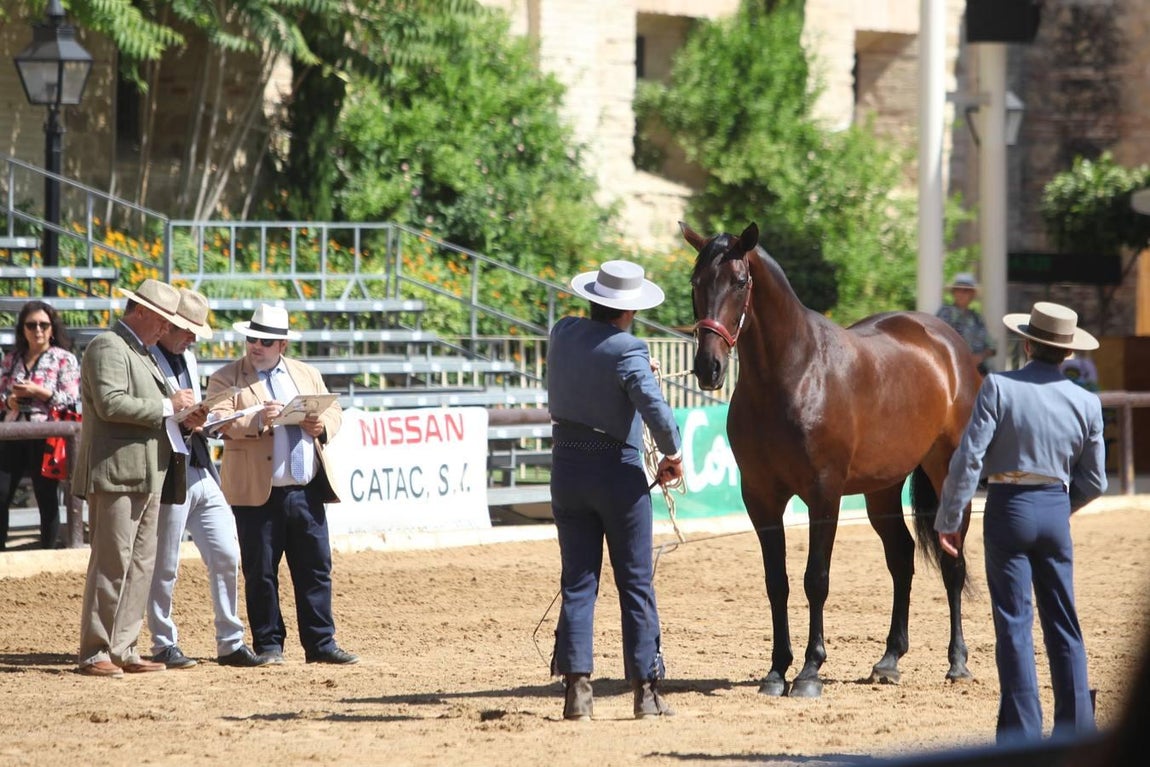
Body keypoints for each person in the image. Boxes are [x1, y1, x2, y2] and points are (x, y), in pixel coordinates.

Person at [935, 301, 1107, 743]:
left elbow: (969, 457)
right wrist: (1058, 507)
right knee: (1063, 623)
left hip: (1008, 506)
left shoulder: (999, 387)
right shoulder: (1086, 401)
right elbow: (1096, 480)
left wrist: (950, 517)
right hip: (1055, 506)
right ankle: (1075, 729)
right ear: (1067, 353)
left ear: (1027, 344)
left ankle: (1023, 735)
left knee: (1014, 622)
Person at [546, 260, 684, 721]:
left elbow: (590, 358)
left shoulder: (562, 332)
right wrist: (673, 454)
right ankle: (645, 691)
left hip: (566, 467)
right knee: (635, 582)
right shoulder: (630, 351)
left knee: (578, 582)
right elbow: (657, 413)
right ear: (629, 310)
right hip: (616, 473)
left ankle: (577, 691)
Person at [205, 304, 357, 665]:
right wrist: (257, 420)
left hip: (306, 487)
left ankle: (321, 643)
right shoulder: (226, 377)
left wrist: (324, 427)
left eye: (266, 341)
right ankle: (269, 644)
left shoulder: (307, 373)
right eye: (252, 338)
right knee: (260, 571)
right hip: (258, 491)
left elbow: (334, 411)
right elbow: (216, 421)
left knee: (316, 569)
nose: (256, 345)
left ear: (282, 345)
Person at [75, 279, 200, 678]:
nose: (167, 329)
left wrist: (185, 415)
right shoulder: (108, 347)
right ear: (140, 312)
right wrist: (169, 405)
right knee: (112, 562)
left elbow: (156, 411)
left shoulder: (141, 352)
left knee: (141, 563)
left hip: (149, 471)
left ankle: (125, 646)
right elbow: (111, 403)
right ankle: (95, 650)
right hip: (115, 470)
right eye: (163, 321)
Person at [146, 288, 268, 669]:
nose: (192, 338)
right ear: (167, 325)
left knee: (226, 553)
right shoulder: (147, 358)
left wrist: (207, 420)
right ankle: (163, 642)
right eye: (186, 330)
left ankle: (230, 641)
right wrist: (179, 415)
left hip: (199, 463)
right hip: (170, 468)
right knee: (165, 563)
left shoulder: (189, 359)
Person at [0, 300, 80, 550]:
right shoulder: (11, 360)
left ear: (52, 328)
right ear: (23, 329)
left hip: (47, 433)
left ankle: (47, 551)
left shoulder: (64, 359)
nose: (38, 330)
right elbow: (1, 394)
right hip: (12, 432)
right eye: (31, 324)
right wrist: (10, 401)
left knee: (46, 496)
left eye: (43, 325)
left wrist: (40, 392)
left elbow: (71, 399)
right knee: (1, 494)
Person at [937, 272, 997, 375]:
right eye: (958, 290)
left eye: (966, 291)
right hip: (951, 370)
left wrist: (979, 357)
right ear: (953, 293)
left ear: (972, 294)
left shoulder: (977, 318)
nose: (961, 294)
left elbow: (992, 348)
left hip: (977, 371)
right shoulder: (944, 314)